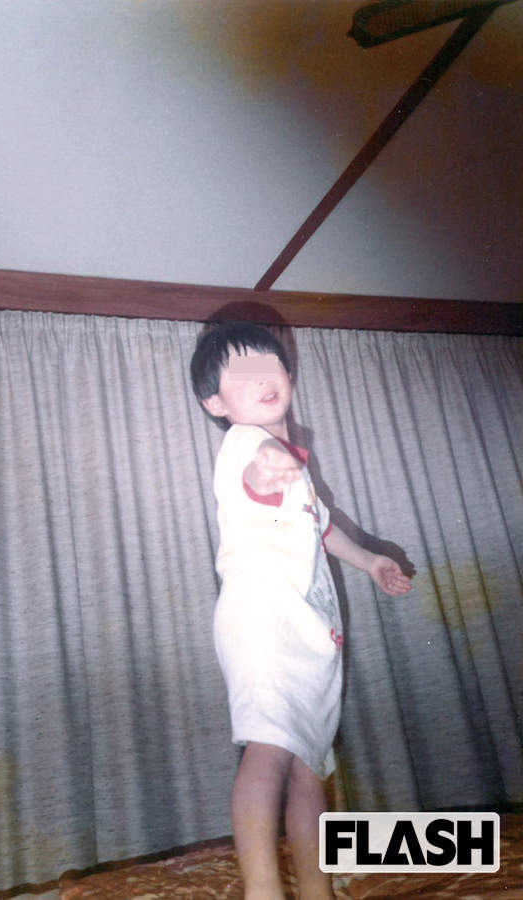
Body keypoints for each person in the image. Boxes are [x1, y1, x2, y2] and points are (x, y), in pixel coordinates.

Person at [190, 321, 412, 900]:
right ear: (216, 403)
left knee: (311, 765)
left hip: (312, 634)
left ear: (289, 374)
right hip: (263, 624)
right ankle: (263, 889)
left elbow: (324, 528)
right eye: (243, 374)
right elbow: (255, 469)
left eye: (270, 365)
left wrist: (370, 561)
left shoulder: (298, 468)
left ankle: (317, 889)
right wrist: (269, 464)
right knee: (268, 749)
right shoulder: (245, 442)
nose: (263, 379)